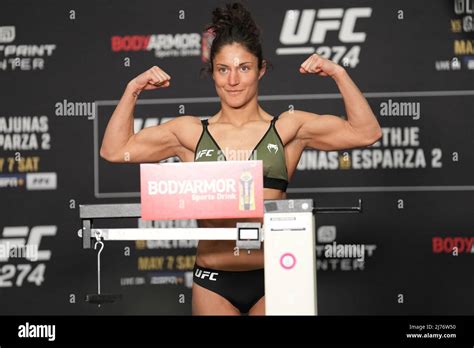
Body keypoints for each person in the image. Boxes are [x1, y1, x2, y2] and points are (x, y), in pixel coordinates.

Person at [100, 2, 382, 316]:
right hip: (213, 280)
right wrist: (133, 89)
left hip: (276, 275)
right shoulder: (189, 133)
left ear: (261, 69)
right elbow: (114, 149)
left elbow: (365, 132)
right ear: (213, 73)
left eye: (244, 68)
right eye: (223, 69)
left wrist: (338, 73)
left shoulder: (289, 127)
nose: (233, 79)